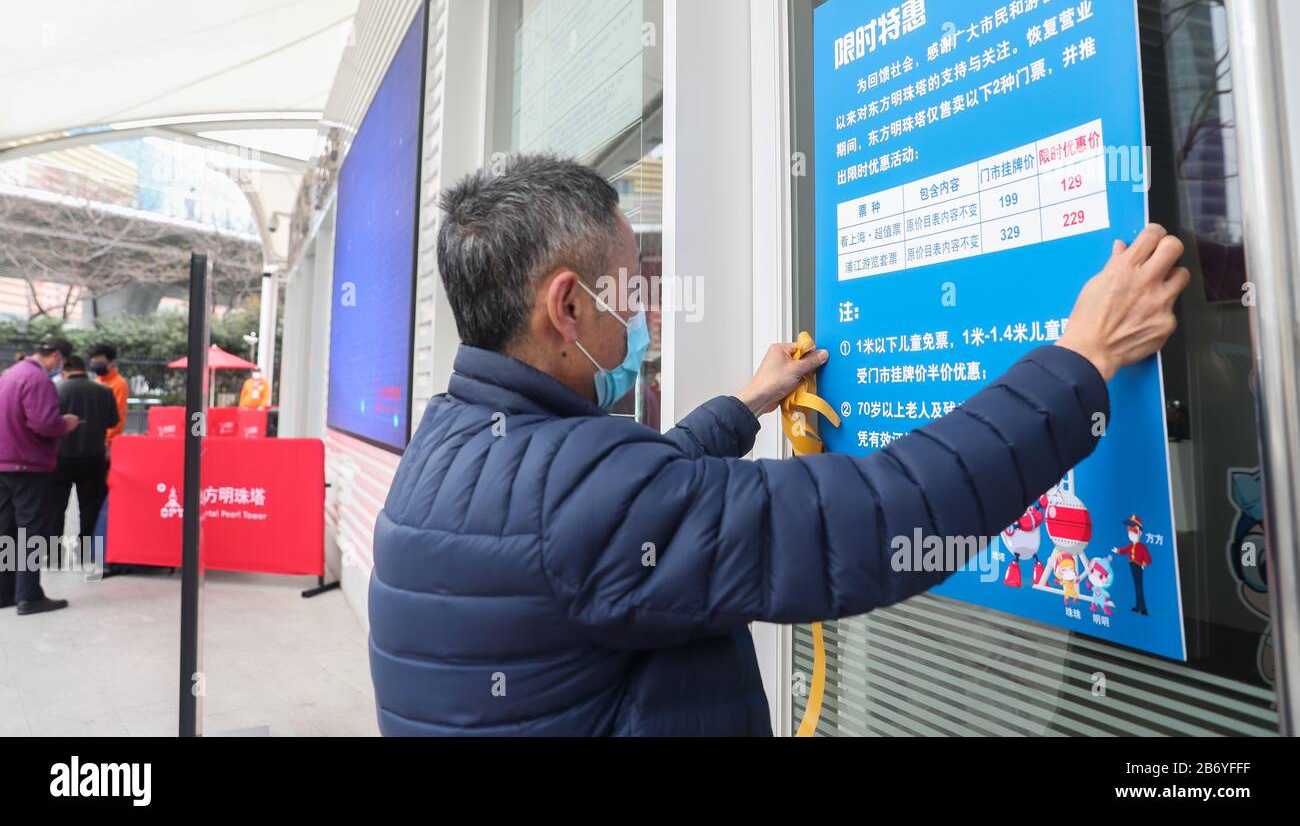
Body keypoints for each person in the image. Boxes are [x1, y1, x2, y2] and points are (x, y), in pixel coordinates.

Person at [367, 155, 1189, 735]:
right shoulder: (576, 492)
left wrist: (742, 405)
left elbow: (620, 509)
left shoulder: (446, 450)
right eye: (633, 289)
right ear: (568, 309)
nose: (644, 313)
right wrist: (1082, 361)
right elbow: (877, 518)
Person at [0, 336, 80, 614]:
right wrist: (66, 423)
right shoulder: (37, 380)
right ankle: (30, 596)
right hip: (29, 465)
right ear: (57, 355)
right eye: (63, 361)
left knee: (6, 530)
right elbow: (43, 423)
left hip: (4, 463)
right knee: (32, 531)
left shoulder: (10, 374)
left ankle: (5, 592)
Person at [47, 355, 119, 567]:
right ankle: (85, 551)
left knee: (55, 507)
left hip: (59, 457)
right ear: (84, 369)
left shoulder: (55, 390)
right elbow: (113, 421)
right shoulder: (104, 391)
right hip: (93, 457)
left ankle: (53, 554)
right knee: (90, 506)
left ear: (64, 370)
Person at [88, 344, 128, 452]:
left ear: (112, 361)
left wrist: (106, 440)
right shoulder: (97, 381)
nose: (96, 366)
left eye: (100, 363)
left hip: (107, 443)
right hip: (94, 440)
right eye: (94, 362)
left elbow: (118, 416)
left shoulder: (119, 384)